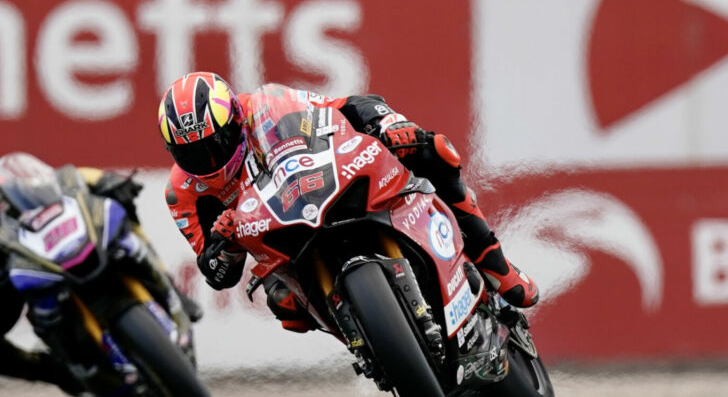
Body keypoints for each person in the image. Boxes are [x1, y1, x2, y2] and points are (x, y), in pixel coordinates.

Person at [157, 72, 539, 333]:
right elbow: (217, 274)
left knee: (432, 152)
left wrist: (389, 125)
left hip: (321, 186)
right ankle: (367, 340)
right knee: (284, 305)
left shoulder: (266, 104)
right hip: (280, 247)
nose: (209, 159)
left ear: (235, 121)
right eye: (193, 153)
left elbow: (347, 106)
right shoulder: (182, 192)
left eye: (214, 144)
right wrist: (224, 247)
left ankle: (495, 262)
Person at [0, 155, 192, 391]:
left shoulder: (0, 189)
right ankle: (58, 372)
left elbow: (64, 180)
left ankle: (165, 282)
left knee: (116, 203)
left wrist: (104, 180)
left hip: (30, 254)